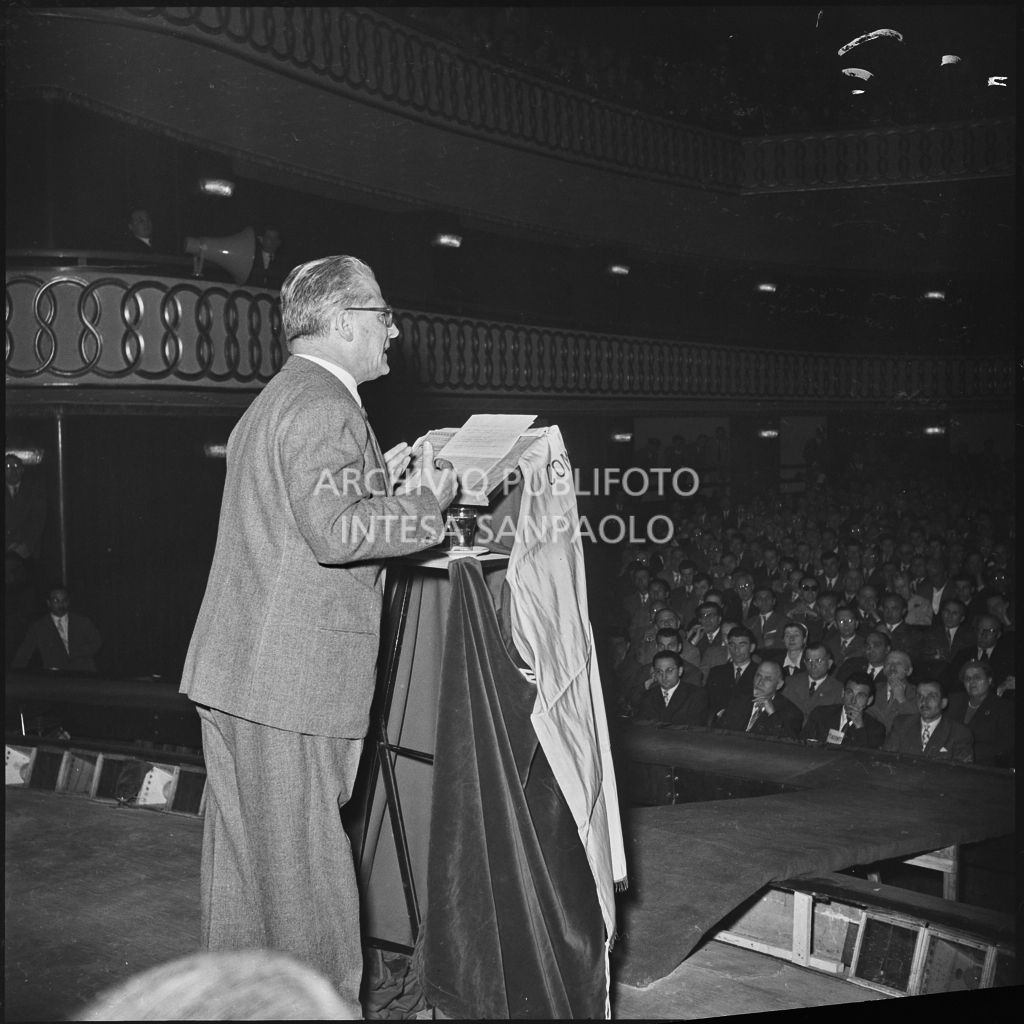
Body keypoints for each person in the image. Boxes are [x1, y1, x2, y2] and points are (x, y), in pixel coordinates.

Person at [178, 255, 457, 1006]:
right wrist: (428, 501)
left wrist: (376, 480)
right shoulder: (326, 405)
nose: (393, 330)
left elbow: (300, 517)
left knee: (244, 882)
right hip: (290, 687)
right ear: (342, 322)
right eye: (383, 315)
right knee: (307, 888)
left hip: (239, 677)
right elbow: (335, 533)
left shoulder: (278, 399)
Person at [11, 586, 102, 673]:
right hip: (56, 676)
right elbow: (24, 653)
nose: (61, 604)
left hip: (84, 673)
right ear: (48, 603)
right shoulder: (38, 627)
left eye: (64, 600)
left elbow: (97, 642)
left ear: (69, 602)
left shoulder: (83, 622)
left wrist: (75, 652)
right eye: (56, 601)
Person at [882, 680, 974, 763]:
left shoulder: (959, 733)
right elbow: (886, 759)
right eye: (920, 696)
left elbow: (962, 772)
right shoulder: (901, 724)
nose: (924, 701)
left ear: (943, 703)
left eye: (932, 696)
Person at [946, 660, 1014, 767]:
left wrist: (968, 754)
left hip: (985, 766)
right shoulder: (953, 701)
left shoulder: (1004, 707)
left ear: (989, 680)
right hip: (950, 761)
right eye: (967, 678)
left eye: (977, 677)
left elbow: (1005, 746)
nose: (972, 682)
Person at [719, 659, 803, 740]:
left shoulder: (791, 712)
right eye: (758, 676)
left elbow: (789, 745)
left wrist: (772, 714)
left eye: (767, 679)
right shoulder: (739, 701)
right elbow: (720, 731)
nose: (759, 682)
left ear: (779, 685)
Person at [801, 673, 886, 749]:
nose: (853, 701)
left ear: (869, 700)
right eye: (850, 693)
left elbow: (867, 759)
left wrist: (859, 727)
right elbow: (802, 745)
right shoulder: (821, 714)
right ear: (843, 693)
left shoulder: (876, 729)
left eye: (860, 696)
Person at [634, 650, 709, 727]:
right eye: (659, 671)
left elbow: (695, 730)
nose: (664, 676)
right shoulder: (648, 695)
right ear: (654, 673)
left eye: (669, 670)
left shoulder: (696, 695)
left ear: (680, 671)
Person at [705, 625, 758, 725]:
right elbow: (707, 702)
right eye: (732, 645)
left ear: (751, 648)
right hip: (718, 725)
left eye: (742, 645)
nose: (736, 650)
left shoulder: (760, 673)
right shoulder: (716, 672)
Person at [785, 642, 843, 720]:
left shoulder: (838, 689)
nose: (813, 665)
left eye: (818, 661)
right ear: (805, 663)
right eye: (809, 660)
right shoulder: (790, 682)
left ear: (829, 663)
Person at [868, 649, 920, 733]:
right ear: (884, 670)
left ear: (909, 671)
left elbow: (917, 722)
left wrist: (902, 700)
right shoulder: (873, 689)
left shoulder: (918, 693)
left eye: (898, 663)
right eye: (888, 663)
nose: (892, 667)